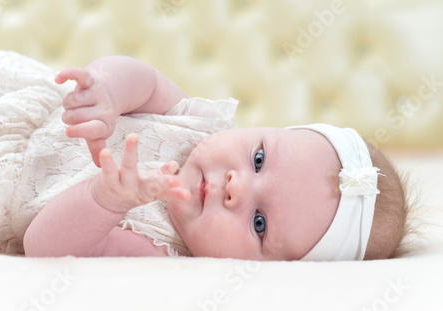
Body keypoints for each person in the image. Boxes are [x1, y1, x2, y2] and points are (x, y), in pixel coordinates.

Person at [23, 56, 408, 261]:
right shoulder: (199, 124)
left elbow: (42, 247)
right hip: (23, 113)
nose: (235, 187)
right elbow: (144, 78)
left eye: (259, 223)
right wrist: (107, 90)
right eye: (259, 160)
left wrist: (103, 201)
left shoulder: (162, 247)